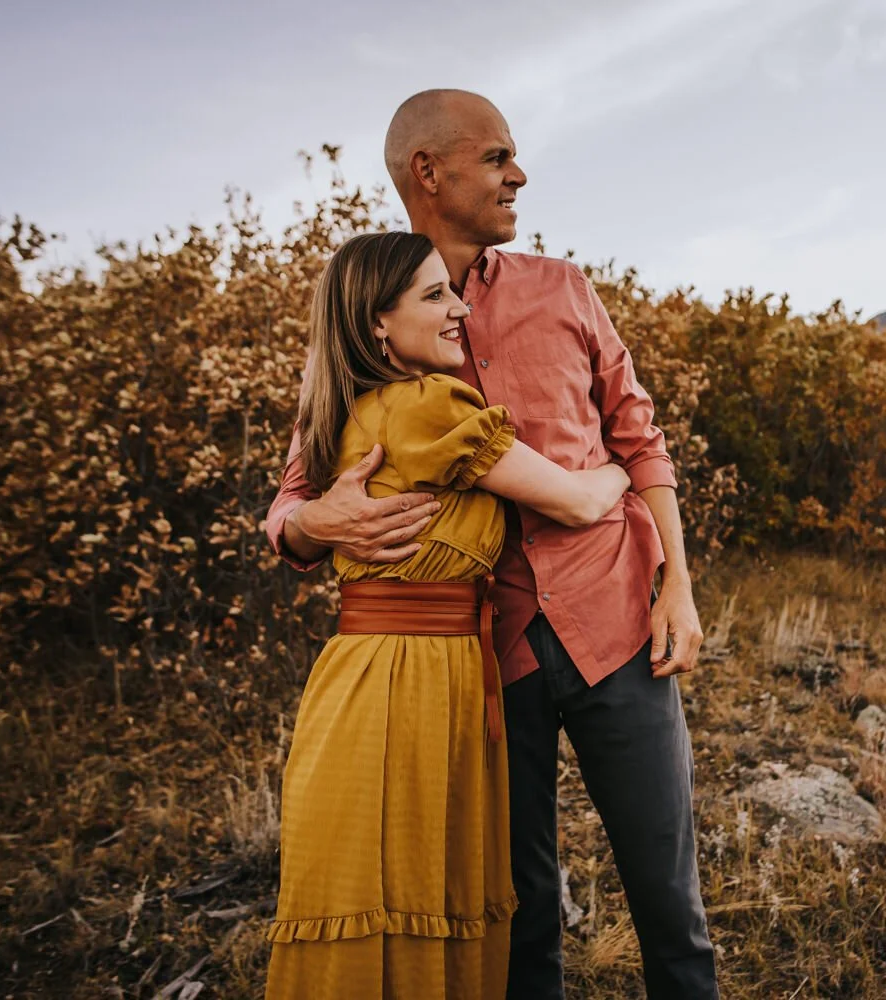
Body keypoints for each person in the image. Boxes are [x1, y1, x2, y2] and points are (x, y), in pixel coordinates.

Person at [267, 89, 719, 999]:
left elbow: (640, 438)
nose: (519, 175)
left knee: (668, 896)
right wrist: (319, 523)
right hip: (479, 658)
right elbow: (292, 502)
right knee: (517, 911)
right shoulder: (370, 314)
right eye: (496, 157)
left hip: (616, 621)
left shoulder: (563, 288)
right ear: (428, 173)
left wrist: (677, 584)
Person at [264, 229, 633, 999]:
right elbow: (575, 501)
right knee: (420, 889)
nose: (460, 309)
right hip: (418, 679)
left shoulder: (342, 411)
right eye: (435, 297)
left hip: (357, 674)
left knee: (370, 892)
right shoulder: (429, 404)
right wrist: (620, 469)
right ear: (377, 322)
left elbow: (291, 509)